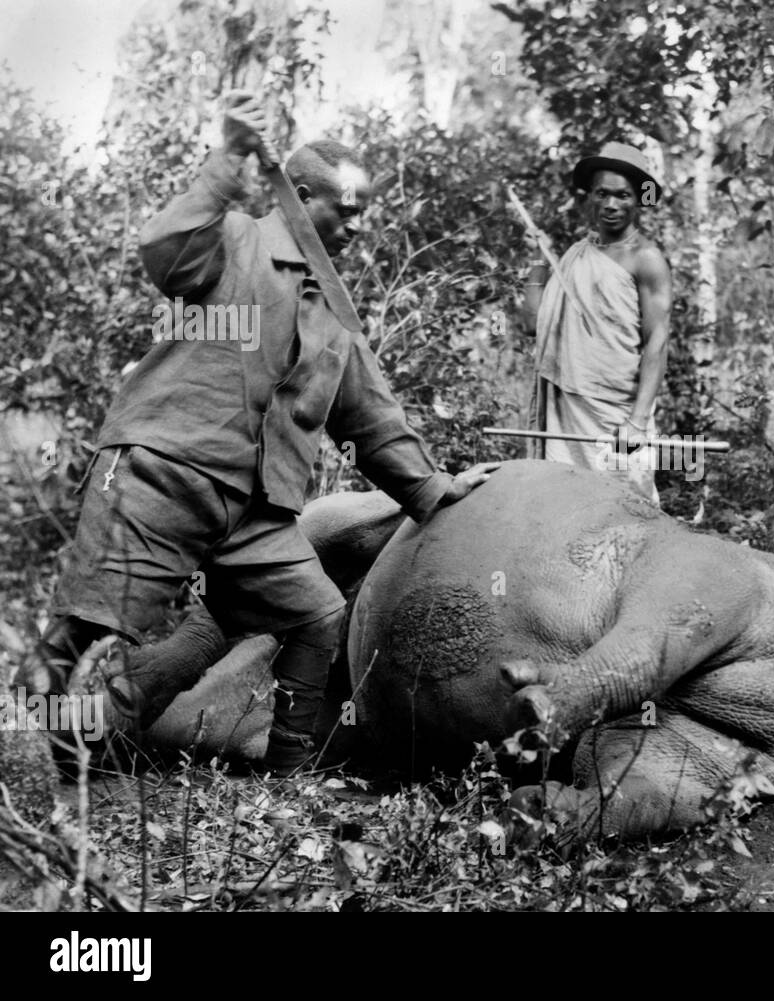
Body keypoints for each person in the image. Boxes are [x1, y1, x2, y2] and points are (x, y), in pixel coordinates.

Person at [27, 92, 497, 775]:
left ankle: (289, 772)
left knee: (316, 614)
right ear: (301, 196)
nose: (359, 231)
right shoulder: (236, 240)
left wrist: (435, 487)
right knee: (88, 624)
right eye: (348, 212)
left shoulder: (336, 311)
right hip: (161, 470)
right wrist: (230, 154)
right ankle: (53, 752)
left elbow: (371, 417)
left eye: (366, 218)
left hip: (255, 508)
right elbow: (163, 248)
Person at [520, 141, 672, 504]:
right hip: (568, 405)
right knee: (564, 503)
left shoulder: (646, 258)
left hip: (616, 410)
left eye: (623, 195)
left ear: (639, 199)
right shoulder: (575, 255)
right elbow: (533, 325)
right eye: (602, 193)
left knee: (624, 509)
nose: (611, 205)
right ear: (589, 197)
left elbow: (658, 341)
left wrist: (637, 421)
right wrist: (538, 260)